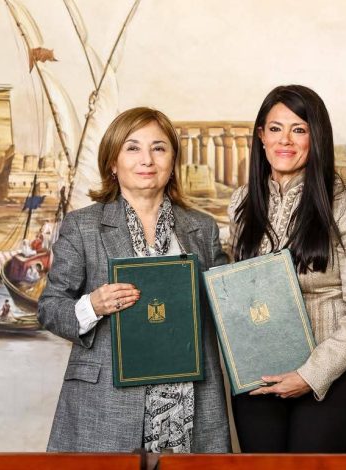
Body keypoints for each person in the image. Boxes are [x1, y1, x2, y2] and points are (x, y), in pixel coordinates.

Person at [38, 107, 230, 453]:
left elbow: (225, 308)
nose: (147, 160)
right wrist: (92, 305)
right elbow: (50, 309)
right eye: (133, 148)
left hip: (191, 401)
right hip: (105, 404)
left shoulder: (202, 228)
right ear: (113, 162)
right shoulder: (82, 226)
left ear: (173, 160)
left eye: (159, 148)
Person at [228, 85, 346, 453]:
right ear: (261, 136)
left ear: (316, 138)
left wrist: (311, 374)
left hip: (331, 382)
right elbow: (233, 292)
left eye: (299, 129)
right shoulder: (241, 203)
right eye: (275, 128)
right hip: (258, 380)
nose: (285, 140)